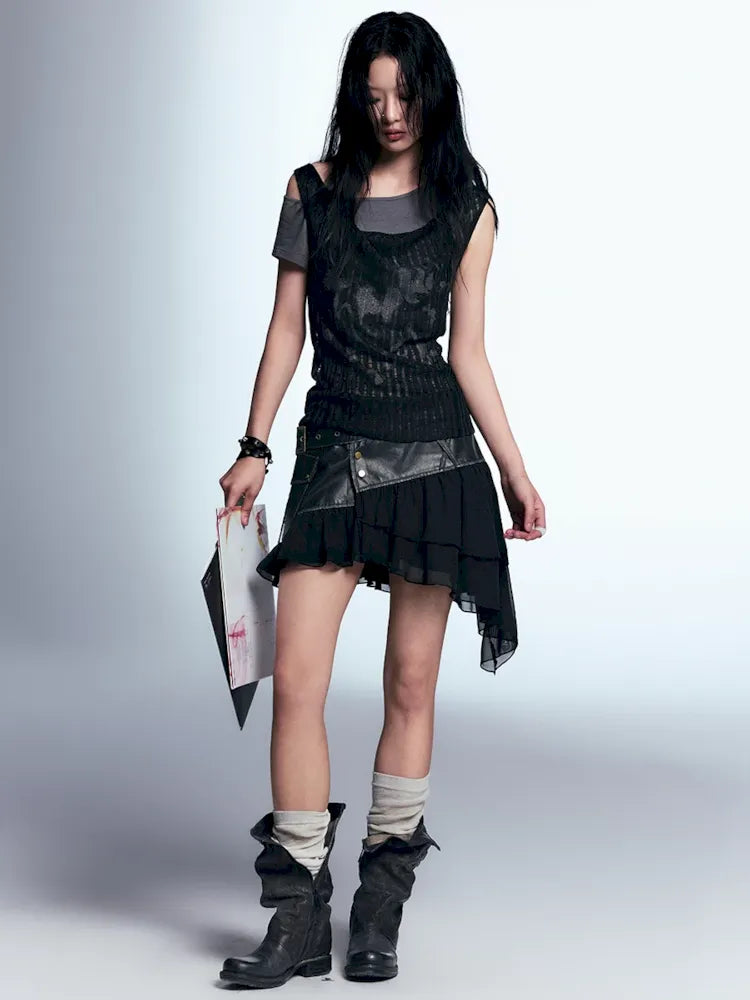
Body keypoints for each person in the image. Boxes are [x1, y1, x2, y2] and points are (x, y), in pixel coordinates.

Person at [217, 10, 545, 990]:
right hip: (332, 456)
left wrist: (516, 469)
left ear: (432, 93)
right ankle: (297, 918)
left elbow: (468, 353)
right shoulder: (310, 192)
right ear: (354, 100)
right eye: (373, 97)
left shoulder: (468, 206)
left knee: (409, 685)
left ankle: (378, 910)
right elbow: (285, 328)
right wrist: (253, 447)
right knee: (296, 682)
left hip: (435, 461)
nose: (390, 112)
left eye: (405, 94)